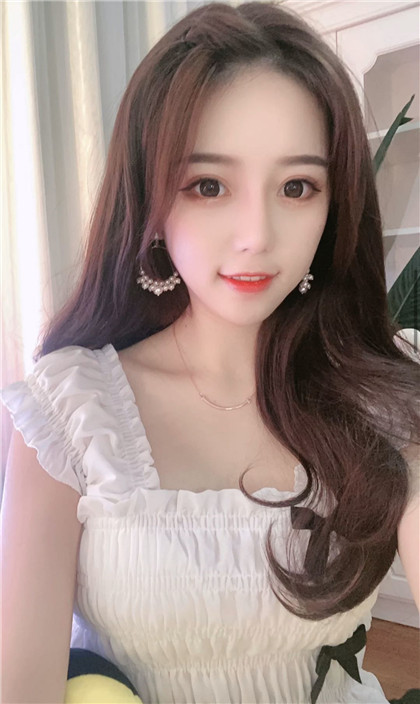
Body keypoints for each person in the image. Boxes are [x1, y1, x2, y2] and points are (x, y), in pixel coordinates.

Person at [1, 1, 419, 702]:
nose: (257, 234)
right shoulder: (70, 412)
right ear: (151, 200)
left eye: (296, 187)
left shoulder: (380, 403)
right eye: (209, 185)